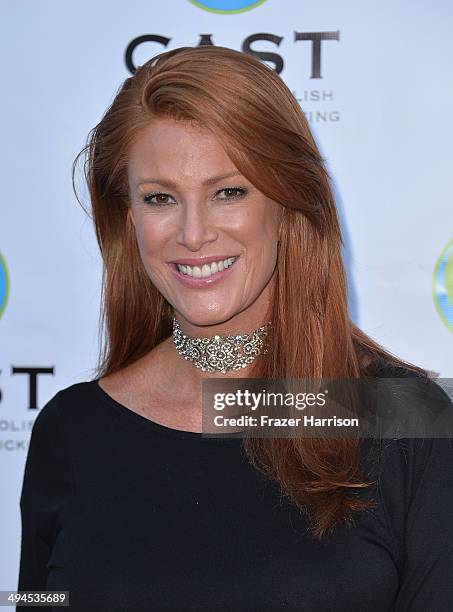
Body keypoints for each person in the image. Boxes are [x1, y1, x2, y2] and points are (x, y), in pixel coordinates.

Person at [17, 45, 453, 611]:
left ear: (288, 204)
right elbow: (33, 601)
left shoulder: (405, 421)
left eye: (228, 192)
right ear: (129, 217)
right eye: (160, 198)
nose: (193, 234)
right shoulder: (72, 430)